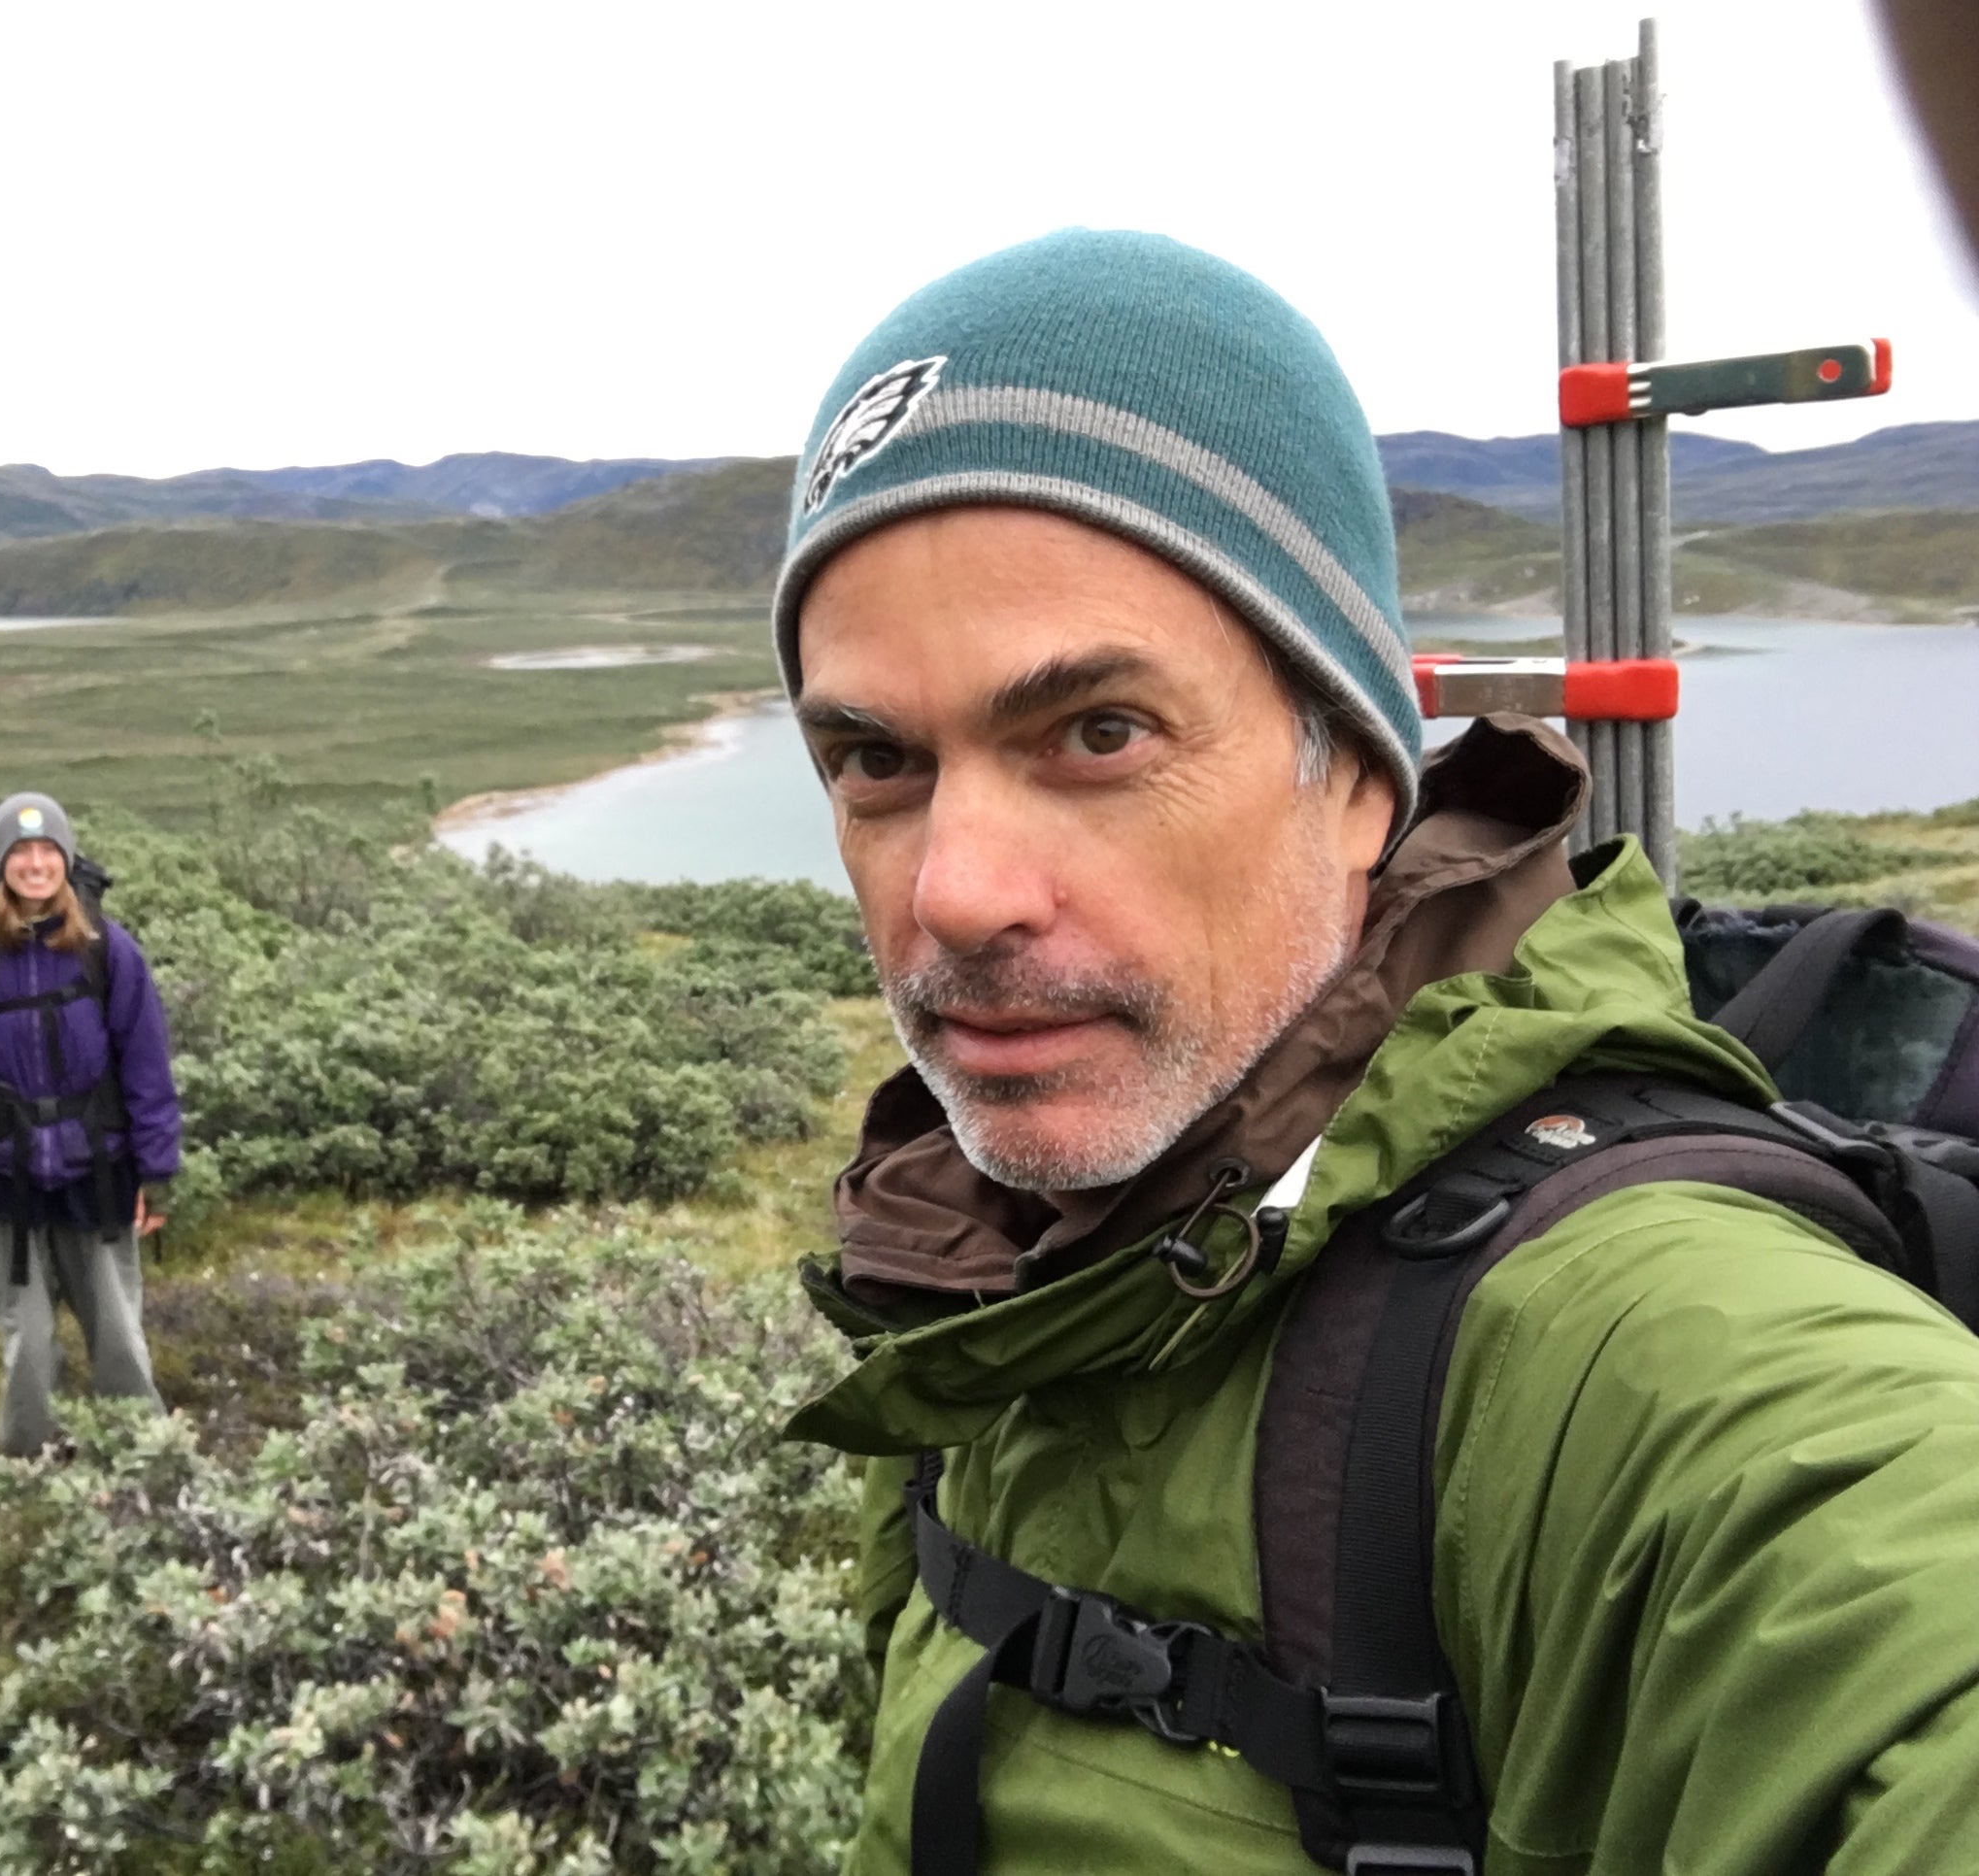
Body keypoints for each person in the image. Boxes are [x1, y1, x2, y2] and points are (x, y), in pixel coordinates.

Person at [776, 231, 1979, 1873]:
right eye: (875, 757)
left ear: (1351, 770)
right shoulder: (984, 1273)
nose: (957, 891)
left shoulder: (1640, 1342)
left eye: (1099, 732)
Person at [0, 791, 183, 1457]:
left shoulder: (108, 950)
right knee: (27, 1345)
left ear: (66, 859)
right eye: (20, 853)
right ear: (0, 864)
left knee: (118, 1336)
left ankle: (145, 1460)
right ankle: (30, 1469)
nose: (35, 865)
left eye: (47, 851)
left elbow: (146, 1065)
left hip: (100, 1174)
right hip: (5, 1184)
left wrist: (159, 1168)